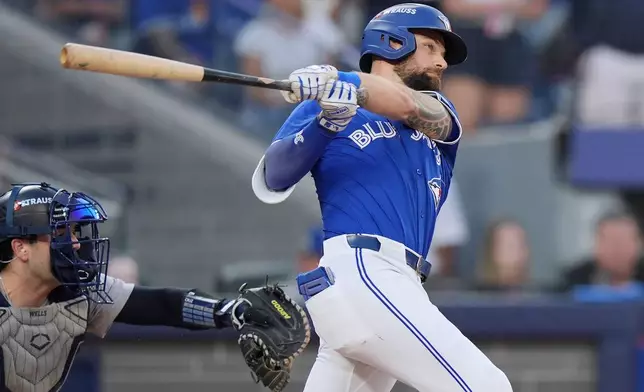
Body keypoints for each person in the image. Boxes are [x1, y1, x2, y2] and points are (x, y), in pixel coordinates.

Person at [250, 3, 512, 391]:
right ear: (391, 43)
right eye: (430, 47)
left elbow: (405, 105)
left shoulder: (437, 110)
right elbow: (274, 177)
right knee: (487, 387)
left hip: (398, 283)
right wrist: (326, 122)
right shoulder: (326, 104)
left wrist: (346, 81)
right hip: (364, 272)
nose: (441, 62)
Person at [0, 182, 288, 392]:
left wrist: (230, 311)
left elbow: (162, 305)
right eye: (61, 233)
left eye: (75, 232)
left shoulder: (76, 294)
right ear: (21, 248)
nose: (75, 243)